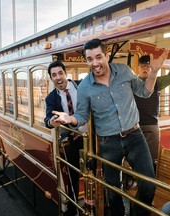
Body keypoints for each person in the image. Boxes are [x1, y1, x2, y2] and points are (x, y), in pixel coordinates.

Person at [52, 39, 169, 216]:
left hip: (135, 136)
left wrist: (153, 73)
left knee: (148, 183)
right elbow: (82, 116)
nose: (95, 63)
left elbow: (144, 92)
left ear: (106, 56)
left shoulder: (124, 71)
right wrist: (69, 118)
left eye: (98, 57)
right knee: (112, 189)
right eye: (90, 59)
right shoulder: (84, 87)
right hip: (108, 142)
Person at [44, 61, 86, 216]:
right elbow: (48, 119)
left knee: (96, 172)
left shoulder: (81, 86)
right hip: (73, 139)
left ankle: (95, 203)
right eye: (54, 75)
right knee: (73, 174)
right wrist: (52, 122)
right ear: (51, 78)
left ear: (65, 73)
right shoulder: (51, 98)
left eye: (60, 73)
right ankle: (73, 208)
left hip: (91, 137)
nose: (58, 77)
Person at [134, 55, 170, 163]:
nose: (145, 68)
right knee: (135, 156)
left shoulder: (158, 82)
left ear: (151, 68)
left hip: (151, 124)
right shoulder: (132, 82)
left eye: (147, 66)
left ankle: (150, 178)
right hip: (134, 125)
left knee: (152, 158)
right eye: (142, 66)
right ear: (138, 67)